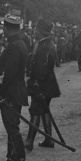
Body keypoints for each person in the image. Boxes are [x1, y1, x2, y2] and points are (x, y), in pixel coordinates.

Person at [0, 15, 29, 161]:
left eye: (5, 28)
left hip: (11, 93)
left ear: (8, 28)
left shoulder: (15, 46)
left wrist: (0, 92)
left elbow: (10, 74)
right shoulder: (18, 43)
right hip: (14, 91)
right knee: (11, 128)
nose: (3, 30)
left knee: (12, 129)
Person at [25, 19, 61, 151]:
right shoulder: (48, 44)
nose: (34, 31)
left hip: (40, 84)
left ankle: (29, 141)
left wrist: (36, 84)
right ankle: (49, 139)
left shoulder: (43, 46)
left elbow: (41, 68)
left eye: (36, 29)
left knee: (35, 111)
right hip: (48, 84)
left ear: (40, 31)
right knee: (45, 110)